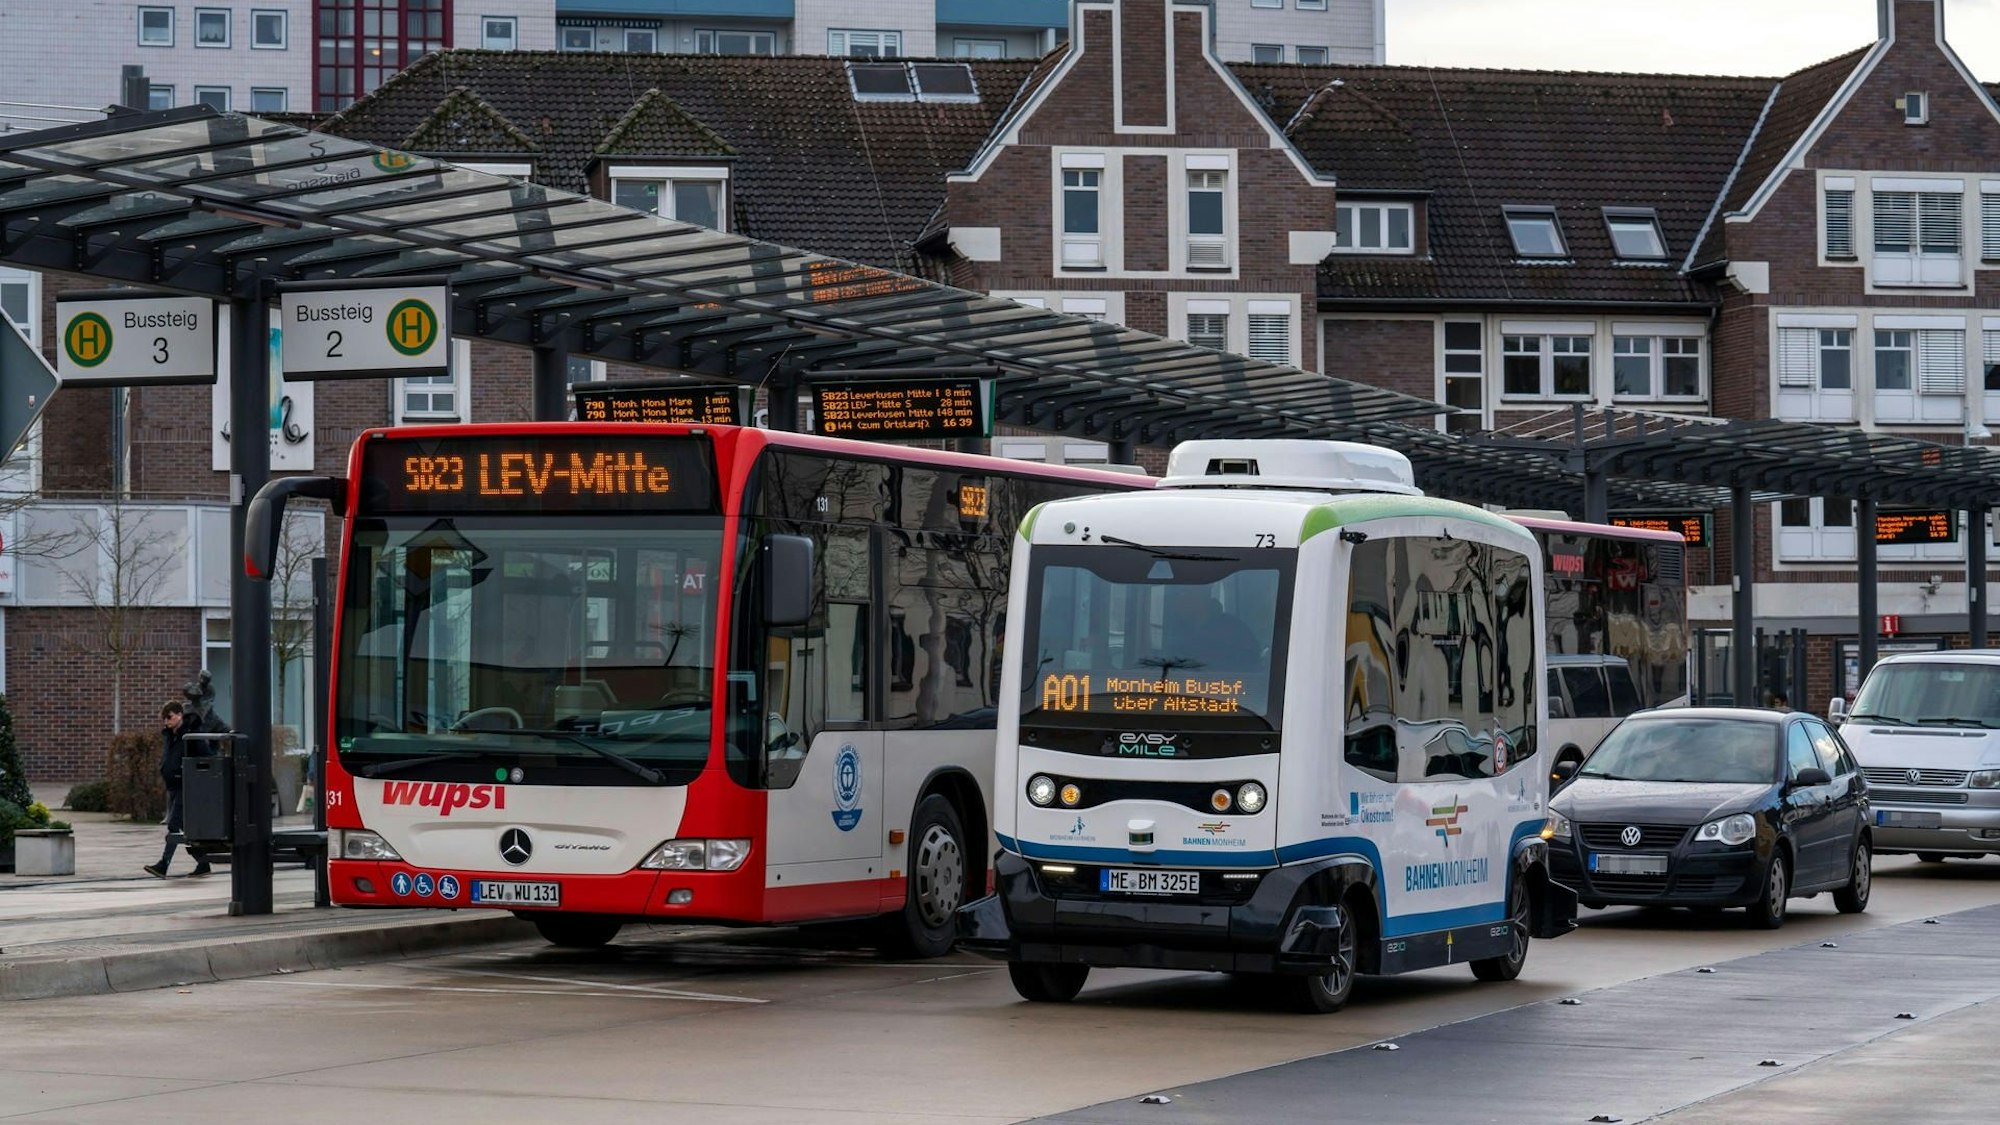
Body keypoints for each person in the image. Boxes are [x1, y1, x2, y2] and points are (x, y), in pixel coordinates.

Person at [144, 701, 210, 878]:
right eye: (164, 718)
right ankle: (203, 863)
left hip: (185, 786)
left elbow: (206, 757)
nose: (167, 721)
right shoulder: (169, 735)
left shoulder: (190, 735)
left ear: (180, 715)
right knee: (183, 826)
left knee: (173, 825)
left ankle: (163, 865)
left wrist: (190, 774)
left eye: (170, 717)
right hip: (173, 786)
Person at [1163, 586, 1264, 670]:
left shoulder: (1232, 627)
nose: (1177, 602)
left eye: (1183, 595)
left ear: (1199, 600)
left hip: (1227, 687)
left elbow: (1251, 660)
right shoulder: (1180, 629)